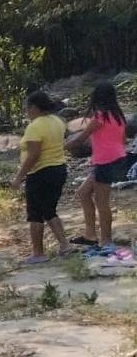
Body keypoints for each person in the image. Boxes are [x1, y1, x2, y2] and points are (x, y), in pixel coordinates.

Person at [9, 90, 74, 265]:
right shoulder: (57, 121)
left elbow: (33, 155)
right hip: (58, 169)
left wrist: (19, 177)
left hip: (40, 173)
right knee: (48, 209)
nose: (27, 112)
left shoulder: (35, 126)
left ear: (35, 108)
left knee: (36, 214)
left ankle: (41, 252)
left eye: (28, 108)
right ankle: (62, 246)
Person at [67, 82, 127, 249]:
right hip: (116, 159)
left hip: (106, 162)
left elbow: (80, 139)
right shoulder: (119, 117)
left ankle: (106, 240)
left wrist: (59, 147)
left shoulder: (100, 117)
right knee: (83, 193)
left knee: (102, 201)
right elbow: (122, 141)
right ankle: (90, 234)